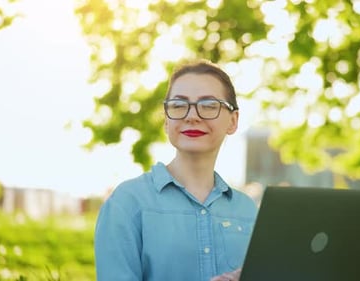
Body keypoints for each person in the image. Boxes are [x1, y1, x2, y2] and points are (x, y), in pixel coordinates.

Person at [94, 60, 258, 281]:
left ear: (233, 120)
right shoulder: (127, 203)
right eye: (179, 105)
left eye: (208, 105)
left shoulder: (248, 212)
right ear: (166, 121)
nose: (192, 116)